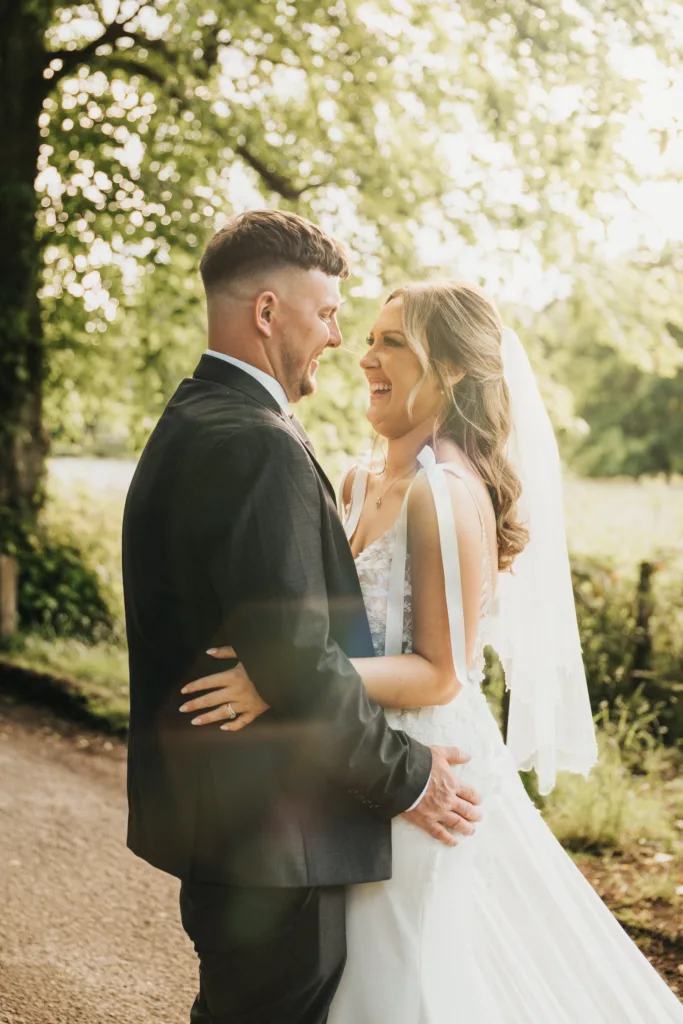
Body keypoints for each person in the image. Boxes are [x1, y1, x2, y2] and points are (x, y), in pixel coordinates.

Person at [183, 279, 683, 1021]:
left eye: (392, 343)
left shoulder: (443, 494)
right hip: (352, 754)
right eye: (368, 338)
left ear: (449, 370)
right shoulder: (356, 482)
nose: (364, 357)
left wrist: (280, 680)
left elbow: (441, 673)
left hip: (422, 764)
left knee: (401, 976)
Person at [122, 212, 482, 1024]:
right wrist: (409, 779)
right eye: (326, 313)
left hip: (225, 818)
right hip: (272, 835)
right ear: (266, 312)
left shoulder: (193, 417)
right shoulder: (256, 442)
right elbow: (296, 657)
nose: (337, 337)